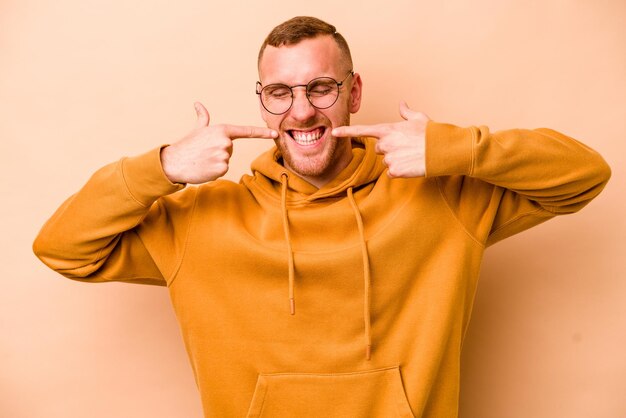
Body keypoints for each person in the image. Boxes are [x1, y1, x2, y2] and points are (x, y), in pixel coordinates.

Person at [33, 16, 610, 418]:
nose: (301, 110)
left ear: (354, 91)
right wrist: (161, 167)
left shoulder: (445, 199)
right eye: (279, 92)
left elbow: (584, 174)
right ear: (261, 100)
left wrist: (452, 149)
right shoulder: (200, 222)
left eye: (321, 87)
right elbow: (62, 247)